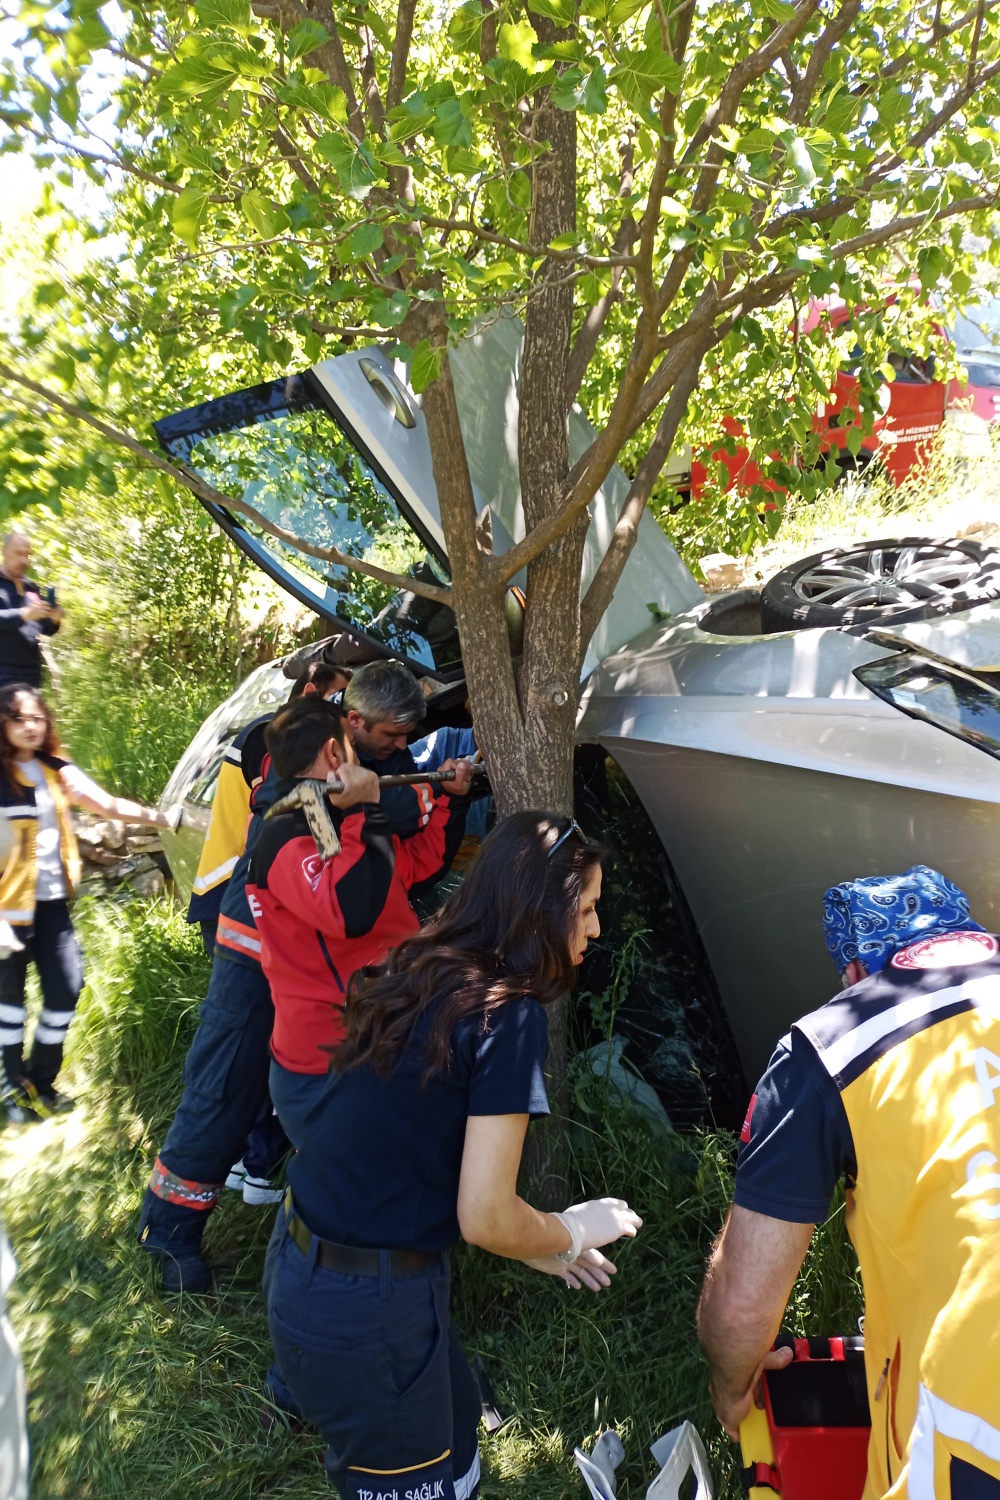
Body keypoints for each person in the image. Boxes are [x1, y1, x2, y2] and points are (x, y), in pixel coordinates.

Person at [265, 811, 643, 1498]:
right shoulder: (508, 1014)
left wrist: (536, 1247)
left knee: (460, 1442)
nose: (595, 928)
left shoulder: (427, 962)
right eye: (587, 908)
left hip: (312, 1253)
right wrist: (570, 1229)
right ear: (543, 908)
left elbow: (412, 1144)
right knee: (427, 1482)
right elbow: (485, 1215)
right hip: (364, 1301)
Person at [697, 865, 1000, 1499]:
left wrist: (731, 1388)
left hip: (975, 1422)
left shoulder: (834, 1042)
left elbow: (744, 1303)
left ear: (858, 972)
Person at [138, 665, 347, 1292]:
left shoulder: (310, 774)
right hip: (251, 961)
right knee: (223, 1084)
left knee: (252, 1090)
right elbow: (323, 848)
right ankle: (168, 1229)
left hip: (282, 965)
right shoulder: (288, 782)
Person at [247, 694, 472, 1148]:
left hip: (379, 1041)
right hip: (331, 1067)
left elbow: (409, 869)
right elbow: (350, 909)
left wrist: (451, 800)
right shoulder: (285, 833)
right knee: (362, 1186)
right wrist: (364, 808)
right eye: (352, 747)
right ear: (334, 753)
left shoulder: (324, 819)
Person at [0, 683, 169, 1121]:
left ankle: (40, 1081)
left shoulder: (57, 770)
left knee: (66, 988)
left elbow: (107, 805)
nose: (30, 726)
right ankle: (11, 1093)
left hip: (51, 904)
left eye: (37, 717)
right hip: (5, 911)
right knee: (9, 1005)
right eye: (19, 718)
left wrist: (166, 818)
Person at [186, 662, 352, 954]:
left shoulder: (273, 733)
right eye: (338, 699)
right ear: (310, 692)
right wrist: (333, 854)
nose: (344, 713)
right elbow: (282, 804)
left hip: (245, 888)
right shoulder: (271, 736)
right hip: (233, 891)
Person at [0, 533, 63, 692]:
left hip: (31, 675)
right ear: (4, 551)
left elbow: (45, 629)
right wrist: (24, 613)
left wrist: (54, 619)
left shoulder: (31, 587)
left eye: (27, 555)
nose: (24, 560)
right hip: (3, 673)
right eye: (18, 553)